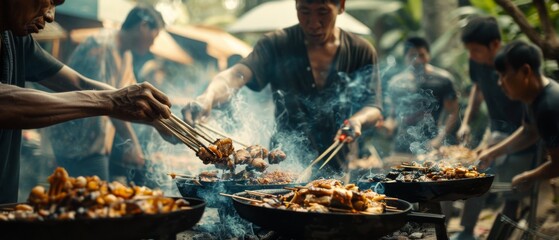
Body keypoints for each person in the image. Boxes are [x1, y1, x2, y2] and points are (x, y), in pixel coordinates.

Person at [181, 0, 383, 177]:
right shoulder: (276, 44)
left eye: (322, 12)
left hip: (338, 165)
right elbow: (237, 74)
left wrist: (357, 120)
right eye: (304, 11)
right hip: (284, 166)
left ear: (341, 5)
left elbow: (373, 106)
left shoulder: (361, 50)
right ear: (295, 5)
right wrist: (208, 97)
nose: (313, 23)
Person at [0, 0, 173, 204]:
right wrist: (111, 102)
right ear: (143, 25)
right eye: (49, 1)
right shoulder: (99, 46)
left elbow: (78, 82)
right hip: (79, 148)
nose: (50, 16)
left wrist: (158, 118)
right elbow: (5, 101)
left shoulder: (16, 38)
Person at [42, 4, 164, 181]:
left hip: (96, 145)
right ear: (143, 25)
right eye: (155, 35)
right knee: (94, 200)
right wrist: (132, 144)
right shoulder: (100, 45)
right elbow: (110, 101)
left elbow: (133, 102)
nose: (154, 42)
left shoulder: (126, 56)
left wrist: (158, 124)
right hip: (76, 144)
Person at [451, 16, 537, 240]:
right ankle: (467, 230)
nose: (472, 56)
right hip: (495, 130)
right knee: (474, 177)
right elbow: (477, 91)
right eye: (469, 50)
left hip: (523, 136)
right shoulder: (476, 62)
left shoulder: (514, 62)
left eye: (476, 50)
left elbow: (530, 126)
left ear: (495, 45)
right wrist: (466, 123)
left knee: (511, 194)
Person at [484, 41, 558, 192]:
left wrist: (528, 176)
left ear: (525, 71)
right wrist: (491, 154)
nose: (500, 83)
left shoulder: (549, 107)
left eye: (503, 75)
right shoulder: (532, 95)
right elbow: (528, 131)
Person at [383, 36, 459, 159]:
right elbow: (392, 114)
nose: (417, 60)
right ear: (405, 58)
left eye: (421, 55)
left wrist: (439, 138)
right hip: (401, 146)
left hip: (431, 145)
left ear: (428, 56)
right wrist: (388, 125)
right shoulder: (396, 83)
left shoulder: (443, 80)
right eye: (412, 56)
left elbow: (453, 112)